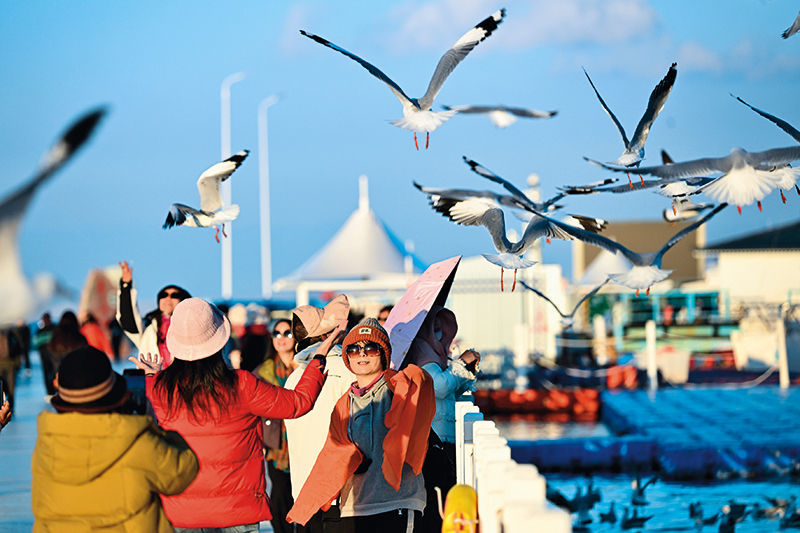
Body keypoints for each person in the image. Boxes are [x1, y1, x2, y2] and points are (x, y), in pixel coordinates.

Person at [132, 297, 334, 532]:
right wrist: (318, 359)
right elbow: (298, 403)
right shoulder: (242, 384)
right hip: (237, 513)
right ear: (219, 340)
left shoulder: (159, 389)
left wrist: (152, 377)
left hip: (179, 513)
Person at [287, 318, 435, 533]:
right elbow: (330, 458)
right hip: (353, 508)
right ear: (346, 356)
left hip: (397, 503)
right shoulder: (342, 403)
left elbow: (421, 385)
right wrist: (305, 506)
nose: (362, 354)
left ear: (383, 353)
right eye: (354, 349)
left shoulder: (400, 388)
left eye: (371, 348)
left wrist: (414, 376)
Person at [31, 346, 199, 532]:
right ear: (115, 396)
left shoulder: (46, 445)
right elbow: (183, 471)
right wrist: (151, 424)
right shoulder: (136, 440)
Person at [404, 305, 480, 533]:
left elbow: (451, 392)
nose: (440, 333)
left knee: (444, 495)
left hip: (445, 439)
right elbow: (439, 385)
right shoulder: (419, 352)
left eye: (443, 328)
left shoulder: (435, 354)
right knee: (436, 497)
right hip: (432, 441)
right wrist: (461, 364)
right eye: (434, 327)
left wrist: (468, 369)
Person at [283, 295, 354, 533]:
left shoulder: (293, 379)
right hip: (338, 492)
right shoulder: (346, 372)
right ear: (326, 336)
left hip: (303, 492)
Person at [253, 317, 300, 533]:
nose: (282, 338)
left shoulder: (306, 368)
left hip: (303, 441)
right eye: (277, 333)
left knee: (302, 496)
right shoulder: (262, 373)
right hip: (276, 446)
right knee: (280, 497)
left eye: (287, 333)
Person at [116, 259, 191, 368]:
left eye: (174, 295)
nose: (168, 298)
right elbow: (128, 318)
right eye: (164, 295)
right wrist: (126, 286)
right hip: (153, 379)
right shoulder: (149, 328)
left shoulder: (191, 326)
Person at [47, 311, 88, 375]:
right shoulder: (81, 339)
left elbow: (53, 363)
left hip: (61, 378)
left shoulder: (55, 340)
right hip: (79, 378)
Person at [32, 313, 57, 395]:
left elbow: (36, 342)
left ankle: (51, 391)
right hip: (51, 355)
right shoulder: (55, 328)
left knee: (48, 373)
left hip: (46, 355)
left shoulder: (40, 330)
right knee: (52, 372)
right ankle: (53, 390)